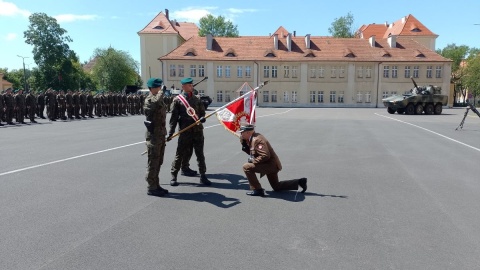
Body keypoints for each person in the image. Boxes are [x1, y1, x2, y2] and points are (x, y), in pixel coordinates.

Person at [239, 124, 307, 196]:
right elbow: (254, 152)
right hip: (270, 164)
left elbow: (265, 156)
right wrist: (244, 145)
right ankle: (299, 182)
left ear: (248, 132)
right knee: (276, 186)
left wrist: (253, 161)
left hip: (270, 165)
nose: (241, 134)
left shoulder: (257, 140)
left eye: (242, 132)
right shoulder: (252, 138)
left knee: (246, 167)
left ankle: (257, 189)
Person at [168, 77, 211, 186]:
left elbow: (202, 112)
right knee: (180, 154)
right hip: (185, 131)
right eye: (189, 85)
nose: (192, 86)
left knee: (200, 154)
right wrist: (171, 132)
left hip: (197, 131)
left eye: (192, 85)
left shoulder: (197, 99)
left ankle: (203, 175)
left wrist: (202, 118)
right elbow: (173, 118)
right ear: (183, 87)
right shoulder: (178, 100)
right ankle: (174, 176)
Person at [144, 77, 169, 197]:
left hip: (160, 135)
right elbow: (154, 104)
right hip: (153, 136)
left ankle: (156, 185)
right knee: (153, 162)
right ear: (151, 88)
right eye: (158, 87)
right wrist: (160, 93)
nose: (160, 89)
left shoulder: (159, 99)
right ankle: (151, 187)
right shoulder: (149, 100)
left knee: (159, 162)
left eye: (160, 87)